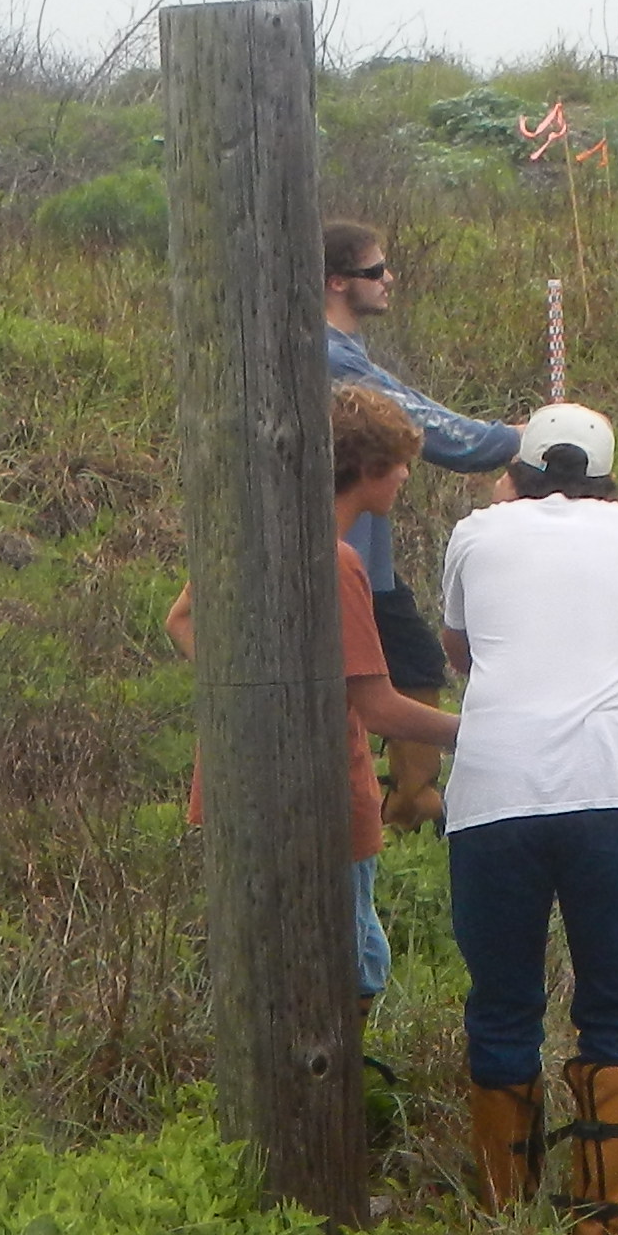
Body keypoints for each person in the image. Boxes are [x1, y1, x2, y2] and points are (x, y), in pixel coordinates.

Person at [439, 401, 618, 1235]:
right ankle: (611, 1230)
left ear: (523, 470)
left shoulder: (476, 532)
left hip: (495, 790)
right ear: (606, 473)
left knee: (502, 1002)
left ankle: (506, 1214)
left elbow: (460, 650)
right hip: (611, 790)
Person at [168, 384, 463, 1004]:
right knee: (349, 968)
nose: (407, 474)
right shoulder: (337, 562)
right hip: (324, 793)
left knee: (269, 959)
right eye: (399, 462)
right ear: (367, 470)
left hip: (236, 775)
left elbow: (182, 621)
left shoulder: (247, 534)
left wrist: (245, 692)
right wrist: (484, 733)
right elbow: (376, 706)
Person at [322, 220, 518, 823]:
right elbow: (428, 427)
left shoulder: (341, 350)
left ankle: (411, 797)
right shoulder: (325, 353)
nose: (389, 280)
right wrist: (521, 440)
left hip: (364, 557)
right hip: (337, 557)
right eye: (374, 271)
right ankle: (401, 799)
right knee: (375, 677)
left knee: (408, 661)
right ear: (335, 283)